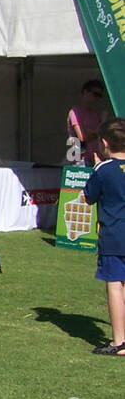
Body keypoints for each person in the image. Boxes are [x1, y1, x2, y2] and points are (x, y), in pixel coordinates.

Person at [84, 116, 125, 354]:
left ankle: (119, 341)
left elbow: (89, 197)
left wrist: (97, 166)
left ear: (105, 143)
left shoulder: (103, 169)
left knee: (115, 286)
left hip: (113, 235)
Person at [68, 80, 106, 166]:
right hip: (81, 159)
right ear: (86, 92)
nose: (97, 98)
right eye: (95, 94)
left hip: (97, 158)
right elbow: (82, 138)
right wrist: (97, 132)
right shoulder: (75, 112)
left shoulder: (96, 114)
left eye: (99, 96)